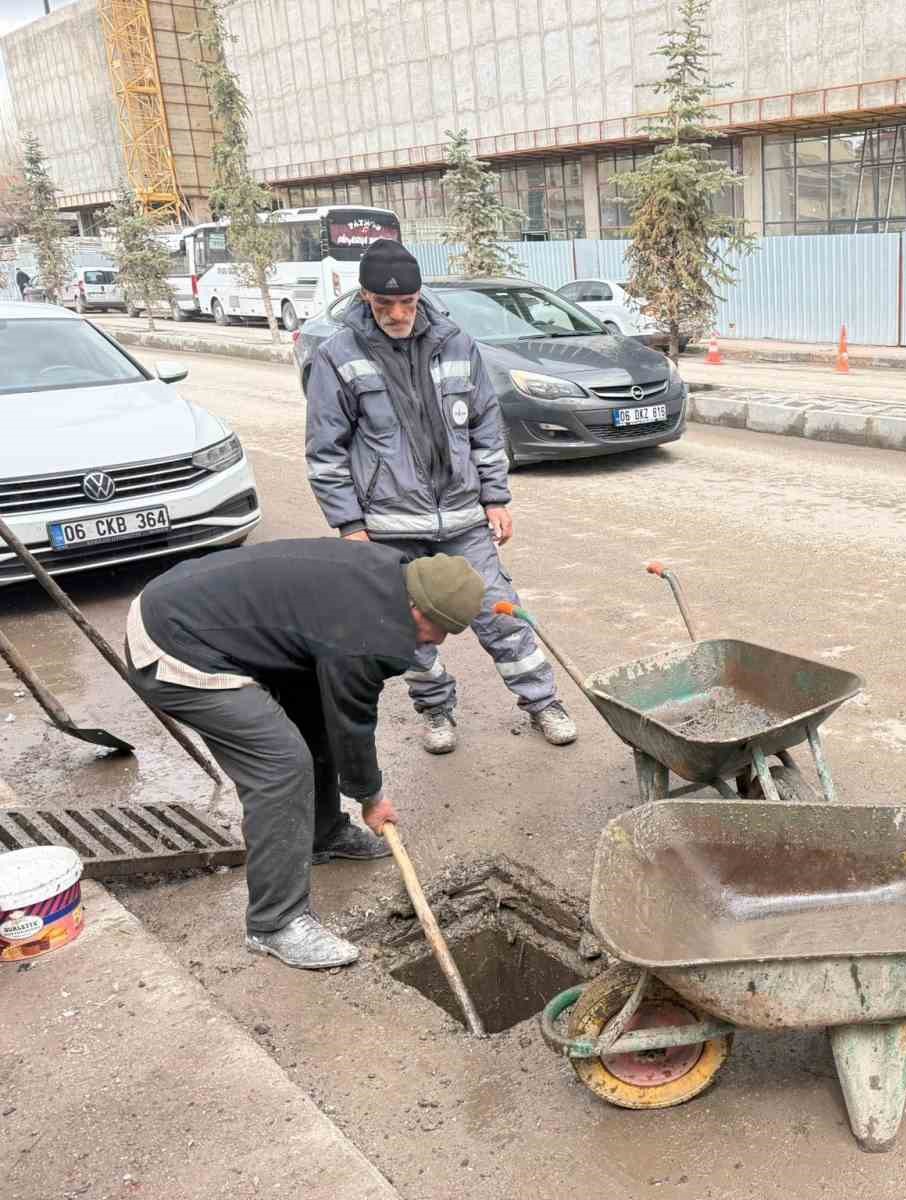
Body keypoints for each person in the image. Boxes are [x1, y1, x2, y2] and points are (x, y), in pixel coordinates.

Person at [126, 539, 486, 969]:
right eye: (437, 628)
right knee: (280, 764)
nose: (436, 640)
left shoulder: (393, 574)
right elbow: (354, 723)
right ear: (415, 605)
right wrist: (371, 798)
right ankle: (275, 923)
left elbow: (336, 714)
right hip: (176, 643)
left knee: (313, 715)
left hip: (204, 615)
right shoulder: (369, 632)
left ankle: (322, 833)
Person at [303, 238, 576, 754]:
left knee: (499, 612)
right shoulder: (337, 356)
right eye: (385, 304)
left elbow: (485, 427)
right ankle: (435, 709)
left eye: (407, 302)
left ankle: (543, 702)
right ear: (364, 297)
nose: (398, 314)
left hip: (463, 519)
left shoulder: (455, 343)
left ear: (419, 295)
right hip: (386, 527)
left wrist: (495, 499)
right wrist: (350, 526)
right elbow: (325, 451)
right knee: (408, 629)